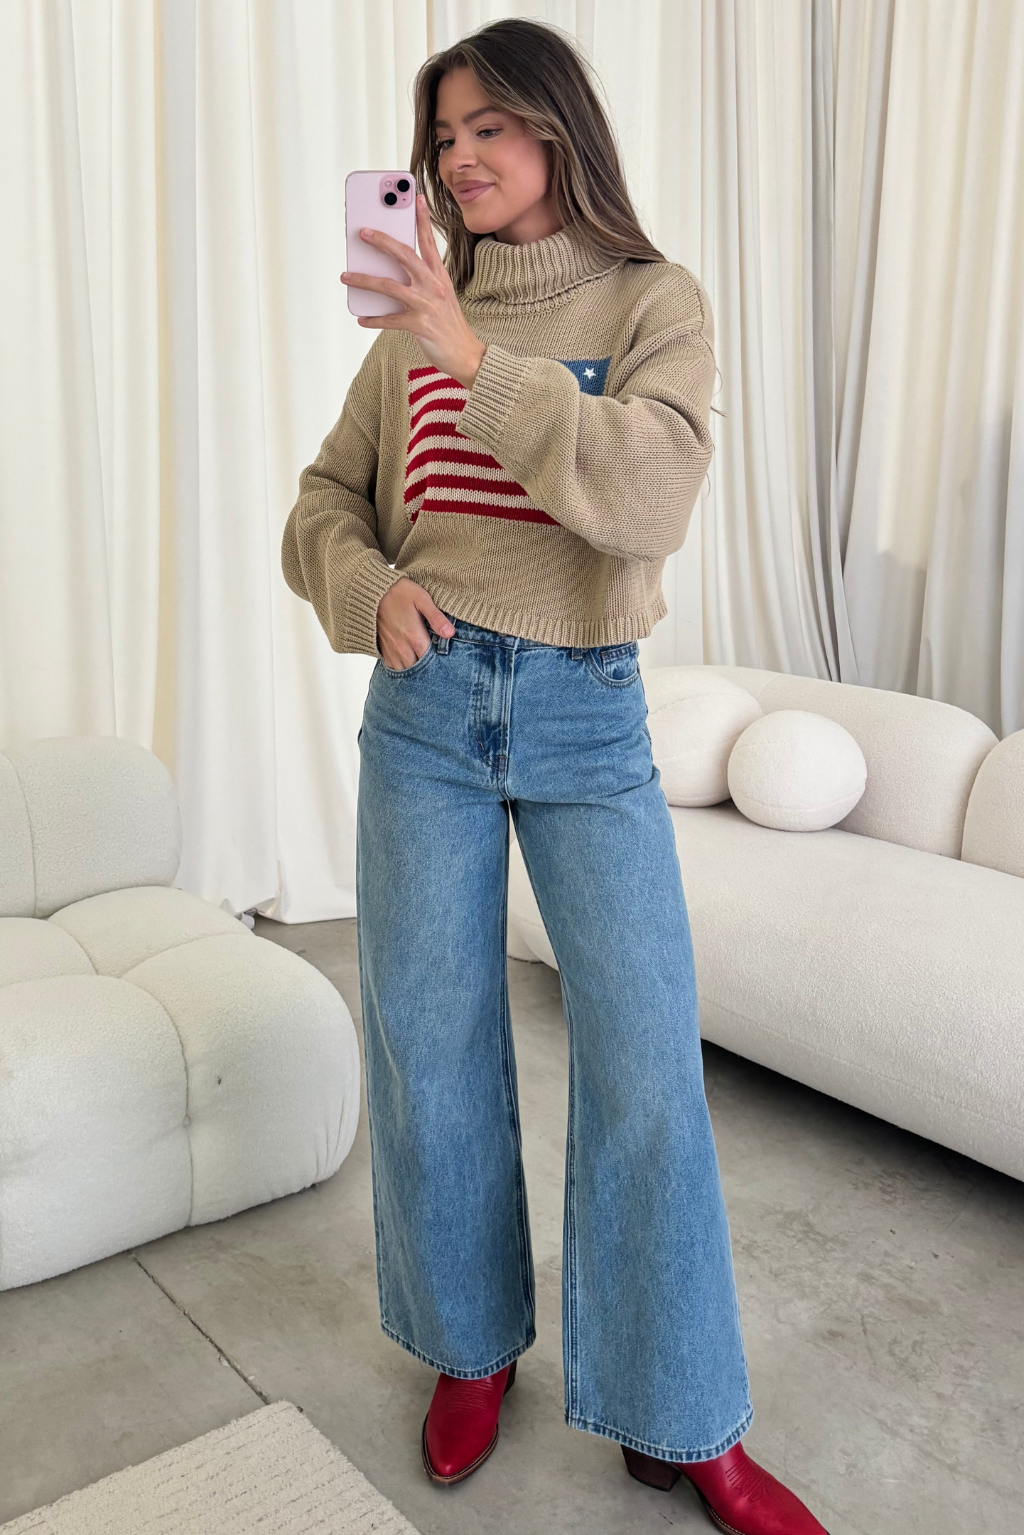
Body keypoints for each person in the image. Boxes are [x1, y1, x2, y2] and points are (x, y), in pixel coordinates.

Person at [282, 18, 829, 1535]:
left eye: (491, 128)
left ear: (559, 130)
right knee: (433, 1041)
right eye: (442, 135)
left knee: (647, 1062)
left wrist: (475, 356)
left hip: (587, 716)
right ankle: (469, 1348)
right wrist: (367, 588)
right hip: (427, 710)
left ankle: (685, 1414)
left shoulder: (654, 300)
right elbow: (323, 501)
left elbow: (646, 499)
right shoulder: (410, 318)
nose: (459, 158)